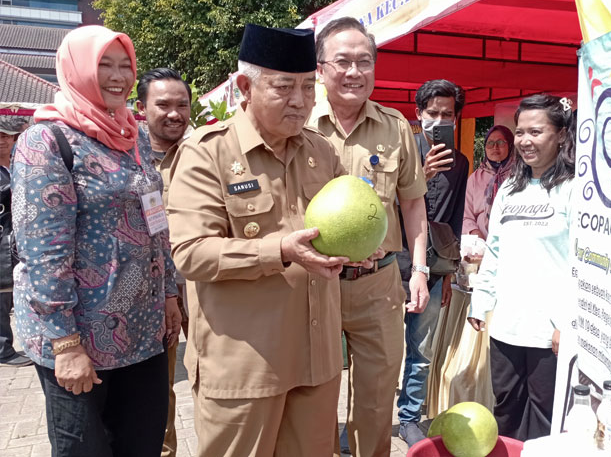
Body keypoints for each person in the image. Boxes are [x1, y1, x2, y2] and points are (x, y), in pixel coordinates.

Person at [166, 24, 361, 457]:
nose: (301, 100)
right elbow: (191, 253)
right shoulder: (207, 152)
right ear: (244, 87)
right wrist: (279, 250)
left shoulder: (322, 152)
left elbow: (347, 222)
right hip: (245, 369)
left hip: (316, 362)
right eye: (284, 87)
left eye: (309, 87)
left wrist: (364, 244)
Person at [11, 25, 181, 456]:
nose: (118, 76)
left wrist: (170, 295)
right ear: (77, 69)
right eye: (104, 64)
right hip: (80, 339)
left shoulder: (135, 135)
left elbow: (154, 225)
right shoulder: (46, 141)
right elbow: (42, 253)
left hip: (142, 331)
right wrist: (65, 343)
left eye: (125, 65)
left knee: (142, 444)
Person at [310, 16, 429, 457]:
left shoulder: (396, 126)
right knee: (315, 399)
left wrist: (418, 269)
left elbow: (413, 202)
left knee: (377, 402)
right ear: (321, 69)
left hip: (378, 283)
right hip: (313, 285)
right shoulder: (298, 123)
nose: (354, 72)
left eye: (365, 61)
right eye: (342, 61)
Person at [467, 94, 576, 441]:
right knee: (506, 409)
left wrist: (566, 322)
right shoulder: (509, 191)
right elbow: (494, 251)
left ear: (560, 135)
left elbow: (581, 262)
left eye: (536, 131)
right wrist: (480, 302)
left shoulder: (574, 190)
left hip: (550, 334)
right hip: (507, 327)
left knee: (547, 417)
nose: (525, 141)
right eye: (520, 132)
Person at [396, 79, 469, 446]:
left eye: (448, 114)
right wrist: (418, 176)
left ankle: (409, 417)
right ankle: (368, 418)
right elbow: (382, 207)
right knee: (381, 348)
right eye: (433, 113)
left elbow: (453, 222)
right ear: (418, 114)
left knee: (422, 350)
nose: (440, 119)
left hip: (434, 268)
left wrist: (450, 273)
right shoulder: (402, 151)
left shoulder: (461, 162)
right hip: (392, 262)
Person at [136, 67, 192, 457]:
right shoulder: (127, 157)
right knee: (160, 385)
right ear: (142, 108)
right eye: (164, 105)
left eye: (182, 105)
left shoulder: (205, 152)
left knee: (217, 375)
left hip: (206, 284)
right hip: (156, 290)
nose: (174, 113)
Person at [0, 116, 32, 367]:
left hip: (18, 239)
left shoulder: (18, 163)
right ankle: (2, 347)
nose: (2, 141)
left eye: (5, 136)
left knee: (13, 293)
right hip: (3, 238)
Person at [462, 125, 515, 239]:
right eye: (490, 143)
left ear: (510, 145)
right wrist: (477, 235)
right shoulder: (475, 178)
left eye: (500, 142)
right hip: (481, 244)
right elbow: (465, 215)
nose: (495, 147)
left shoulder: (520, 175)